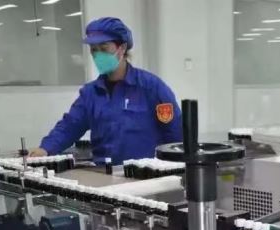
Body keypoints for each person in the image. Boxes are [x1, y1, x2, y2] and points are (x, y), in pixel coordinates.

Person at [29, 17, 182, 164]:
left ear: (122, 48)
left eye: (104, 48)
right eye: (93, 50)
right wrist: (45, 149)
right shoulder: (90, 93)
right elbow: (70, 126)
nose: (98, 55)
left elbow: (175, 134)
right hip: (104, 175)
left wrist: (176, 169)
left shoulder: (151, 88)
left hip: (144, 176)